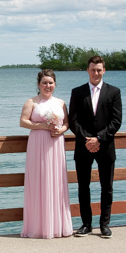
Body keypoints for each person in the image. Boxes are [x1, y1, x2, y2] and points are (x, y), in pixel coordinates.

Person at [68, 55, 123, 237]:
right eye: (93, 69)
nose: (96, 73)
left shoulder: (114, 92)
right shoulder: (77, 92)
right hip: (83, 147)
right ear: (87, 70)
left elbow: (116, 121)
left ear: (104, 71)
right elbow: (73, 121)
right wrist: (87, 140)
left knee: (106, 187)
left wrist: (99, 139)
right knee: (83, 187)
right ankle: (86, 224)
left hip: (105, 146)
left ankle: (104, 224)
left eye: (99, 69)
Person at [19, 69, 73, 239]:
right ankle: (38, 226)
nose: (48, 86)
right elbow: (23, 122)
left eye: (50, 83)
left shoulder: (61, 102)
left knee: (56, 182)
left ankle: (58, 226)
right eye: (44, 83)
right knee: (39, 181)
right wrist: (42, 126)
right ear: (38, 84)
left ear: (55, 84)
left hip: (56, 143)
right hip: (38, 144)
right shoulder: (32, 102)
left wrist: (61, 130)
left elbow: (67, 123)